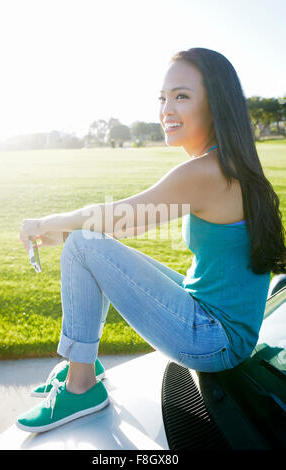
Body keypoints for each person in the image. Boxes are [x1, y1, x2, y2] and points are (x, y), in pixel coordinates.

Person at [16, 47, 286, 433]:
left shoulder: (207, 171)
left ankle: (81, 388)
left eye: (182, 96)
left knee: (84, 245)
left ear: (216, 104)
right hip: (213, 315)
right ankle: (84, 362)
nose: (166, 109)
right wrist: (62, 228)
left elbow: (121, 219)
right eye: (162, 98)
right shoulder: (227, 161)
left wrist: (46, 222)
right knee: (86, 243)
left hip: (216, 340)